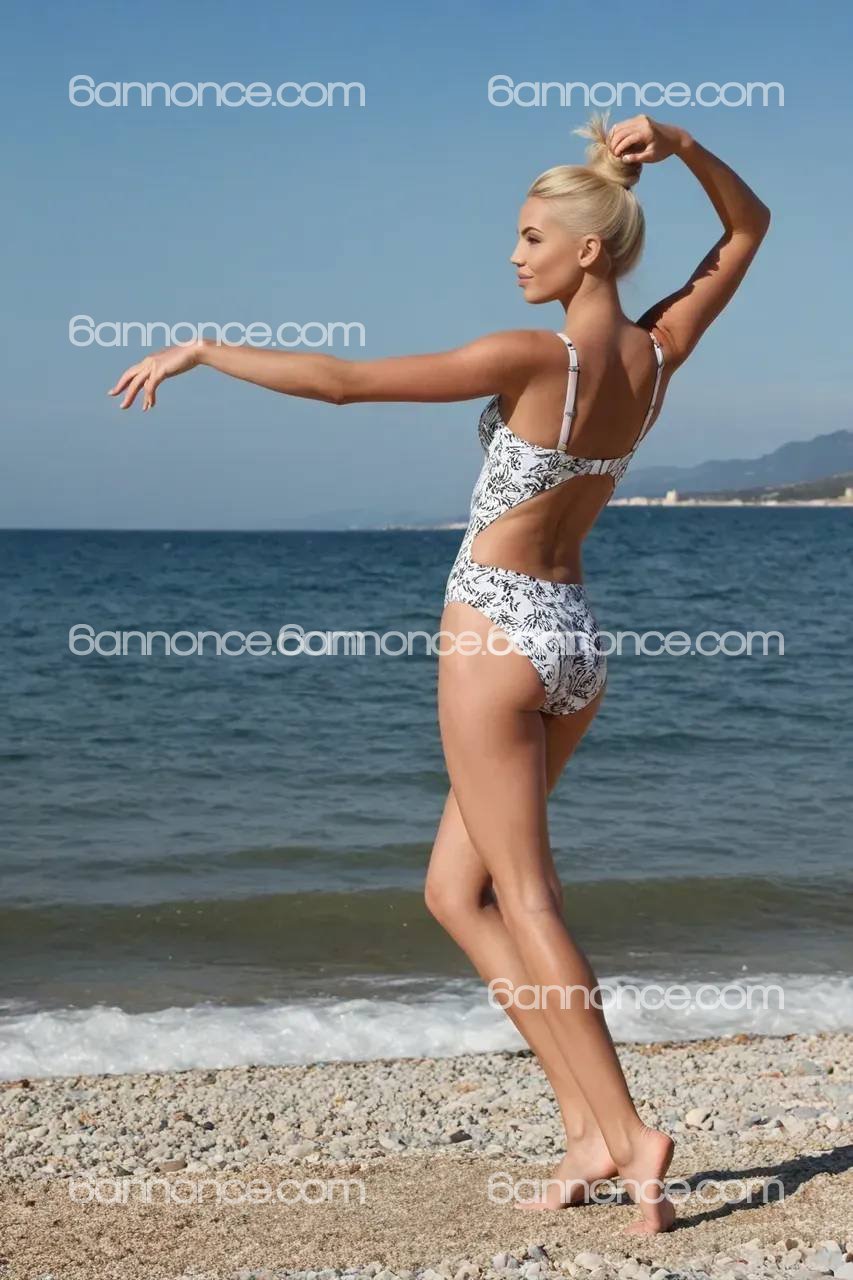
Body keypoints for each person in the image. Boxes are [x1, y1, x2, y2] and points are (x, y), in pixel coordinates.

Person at [108, 112, 770, 1233]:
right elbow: (747, 228)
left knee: (526, 898)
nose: (513, 255)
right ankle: (586, 1128)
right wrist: (686, 145)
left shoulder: (533, 356)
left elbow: (343, 383)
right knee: (454, 893)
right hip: (573, 637)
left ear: (588, 250)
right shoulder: (658, 352)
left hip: (495, 633)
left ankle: (632, 1130)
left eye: (530, 238)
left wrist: (207, 349)